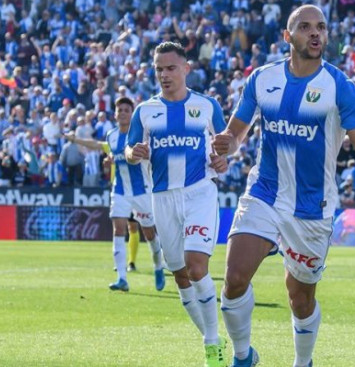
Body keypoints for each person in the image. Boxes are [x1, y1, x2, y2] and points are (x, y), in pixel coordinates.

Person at [211, 6, 355, 367]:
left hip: (311, 209)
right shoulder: (262, 78)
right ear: (288, 37)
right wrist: (225, 145)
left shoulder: (340, 87)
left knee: (300, 297)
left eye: (321, 27)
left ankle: (302, 362)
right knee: (234, 278)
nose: (315, 33)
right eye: (305, 28)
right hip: (264, 193)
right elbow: (236, 133)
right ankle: (243, 357)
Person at [125, 42, 229, 367]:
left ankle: (212, 348)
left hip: (199, 192)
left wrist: (224, 159)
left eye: (170, 68)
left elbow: (225, 144)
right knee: (181, 276)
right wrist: (135, 154)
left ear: (186, 68)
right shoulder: (144, 111)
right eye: (158, 69)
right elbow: (129, 150)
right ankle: (211, 337)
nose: (164, 74)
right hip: (162, 198)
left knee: (197, 266)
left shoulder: (207, 105)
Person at [64, 97, 165, 283]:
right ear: (116, 114)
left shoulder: (141, 135)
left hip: (141, 191)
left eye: (127, 110)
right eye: (120, 110)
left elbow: (154, 156)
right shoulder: (112, 136)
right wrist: (108, 160)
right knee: (118, 230)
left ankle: (158, 266)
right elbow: (99, 147)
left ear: (132, 114)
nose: (123, 113)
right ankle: (122, 278)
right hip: (119, 190)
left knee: (150, 234)